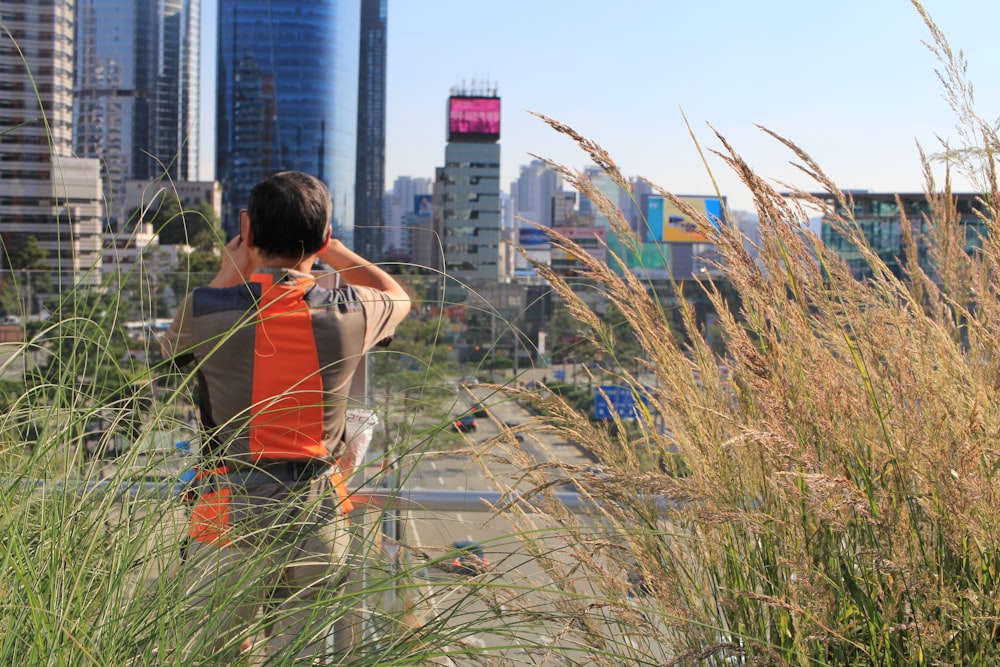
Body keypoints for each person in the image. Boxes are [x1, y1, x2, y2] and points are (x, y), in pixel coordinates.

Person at [161, 170, 411, 663]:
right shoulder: (349, 313)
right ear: (322, 235)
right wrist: (332, 249)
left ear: (247, 232)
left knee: (217, 656)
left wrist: (226, 271)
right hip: (316, 514)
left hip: (226, 511)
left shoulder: (205, 310)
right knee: (301, 655)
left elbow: (171, 356)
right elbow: (398, 296)